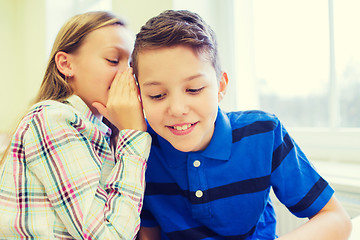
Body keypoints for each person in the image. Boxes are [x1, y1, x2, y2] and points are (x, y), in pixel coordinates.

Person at [129, 10, 352, 240]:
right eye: (156, 95)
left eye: (194, 89)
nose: (177, 109)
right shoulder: (140, 149)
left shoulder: (263, 133)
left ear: (221, 87)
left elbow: (336, 219)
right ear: (139, 97)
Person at [0, 11, 151, 239]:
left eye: (131, 65)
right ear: (66, 64)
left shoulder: (103, 131)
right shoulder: (52, 118)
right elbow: (109, 235)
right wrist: (135, 135)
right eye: (113, 60)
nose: (127, 75)